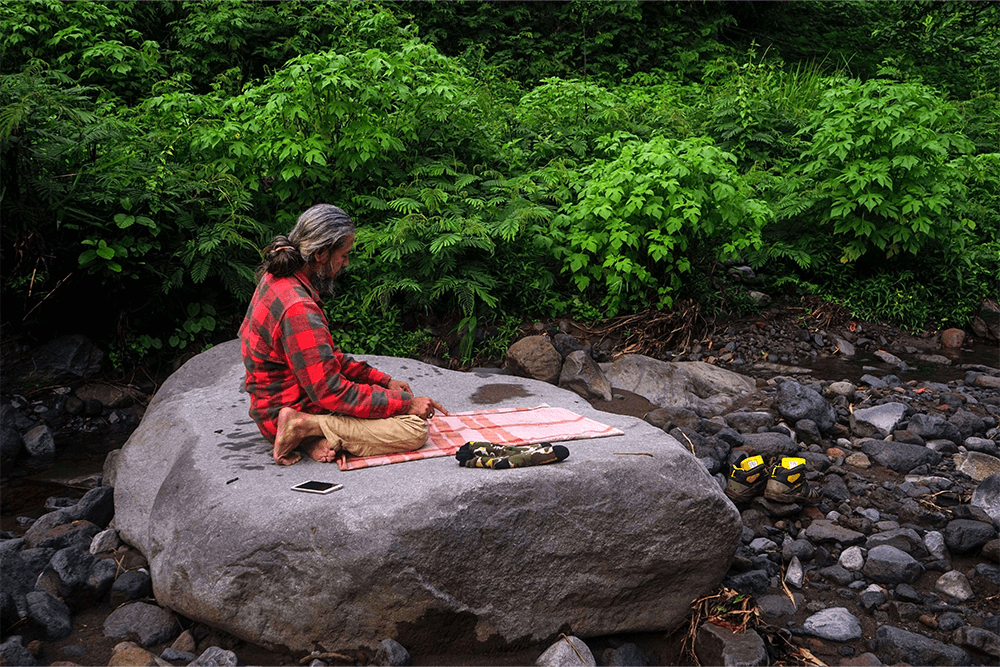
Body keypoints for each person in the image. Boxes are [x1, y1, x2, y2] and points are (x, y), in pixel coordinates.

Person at [239, 203, 448, 465]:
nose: (346, 263)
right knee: (413, 430)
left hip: (275, 406)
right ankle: (302, 426)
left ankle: (312, 435)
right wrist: (406, 404)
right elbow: (332, 392)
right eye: (344, 255)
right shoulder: (298, 308)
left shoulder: (277, 278)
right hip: (285, 411)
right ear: (321, 254)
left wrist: (383, 382)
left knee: (380, 402)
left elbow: (326, 360)